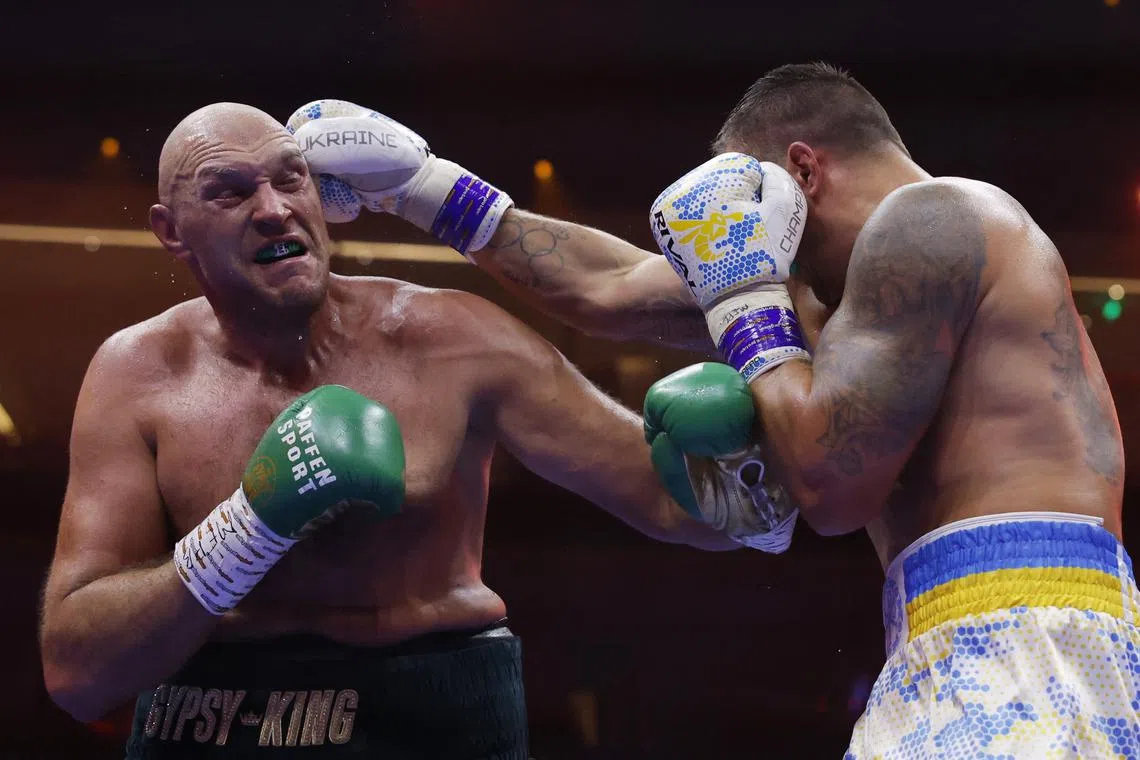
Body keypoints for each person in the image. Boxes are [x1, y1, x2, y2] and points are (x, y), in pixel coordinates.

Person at [295, 62, 1134, 756]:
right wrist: (424, 186)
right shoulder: (823, 288)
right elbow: (608, 286)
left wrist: (744, 299)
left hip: (1026, 621)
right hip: (945, 628)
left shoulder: (936, 220)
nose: (745, 243)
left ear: (802, 171)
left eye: (751, 202)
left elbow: (830, 488)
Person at [37, 102, 757, 760]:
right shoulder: (136, 374)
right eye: (230, 191)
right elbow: (76, 671)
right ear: (171, 232)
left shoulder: (447, 337)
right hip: (205, 726)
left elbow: (680, 505)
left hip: (428, 721)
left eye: (293, 180)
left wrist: (741, 461)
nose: (274, 210)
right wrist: (247, 530)